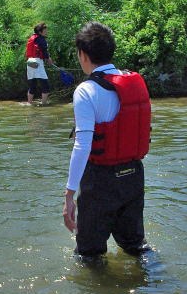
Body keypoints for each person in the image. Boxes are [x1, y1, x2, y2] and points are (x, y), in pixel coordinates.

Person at [63, 21, 150, 258]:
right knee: (136, 247)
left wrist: (69, 194)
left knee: (89, 255)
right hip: (133, 175)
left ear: (83, 55)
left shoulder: (86, 91)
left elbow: (82, 146)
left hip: (100, 181)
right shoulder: (135, 83)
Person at [26, 22, 53, 105]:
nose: (46, 32)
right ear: (40, 32)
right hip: (38, 63)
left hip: (30, 63)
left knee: (32, 85)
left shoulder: (31, 38)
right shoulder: (41, 40)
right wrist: (49, 60)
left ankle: (29, 103)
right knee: (46, 85)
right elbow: (44, 53)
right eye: (45, 31)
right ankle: (44, 104)